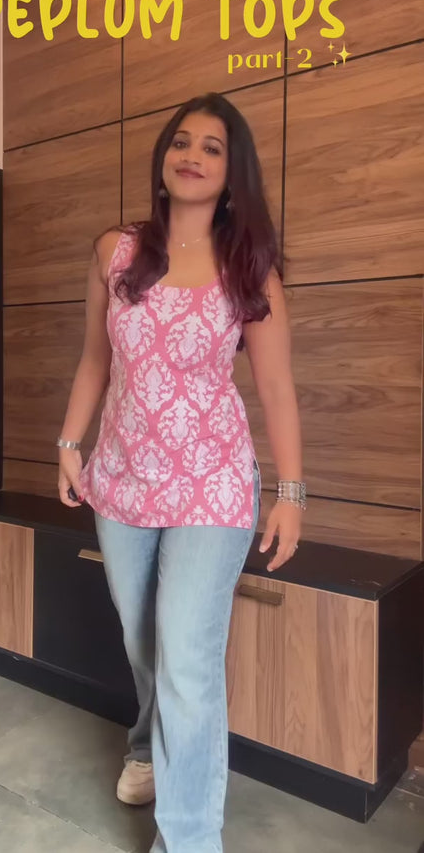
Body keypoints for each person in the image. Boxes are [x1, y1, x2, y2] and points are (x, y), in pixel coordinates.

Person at [57, 91, 305, 853]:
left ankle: (189, 839)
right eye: (181, 142)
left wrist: (291, 493)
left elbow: (274, 388)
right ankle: (145, 746)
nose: (191, 155)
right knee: (145, 642)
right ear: (163, 159)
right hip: (122, 481)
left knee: (187, 658)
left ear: (232, 175)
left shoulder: (248, 268)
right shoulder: (115, 252)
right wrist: (69, 444)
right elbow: (95, 361)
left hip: (213, 485)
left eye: (211, 147)